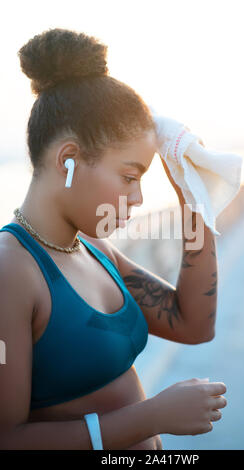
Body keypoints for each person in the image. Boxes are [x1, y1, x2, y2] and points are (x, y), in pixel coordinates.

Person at [0, 28, 227, 450]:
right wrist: (153, 416)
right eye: (128, 177)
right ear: (68, 160)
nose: (138, 198)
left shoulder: (96, 252)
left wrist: (192, 200)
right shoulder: (11, 270)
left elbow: (194, 323)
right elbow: (6, 438)